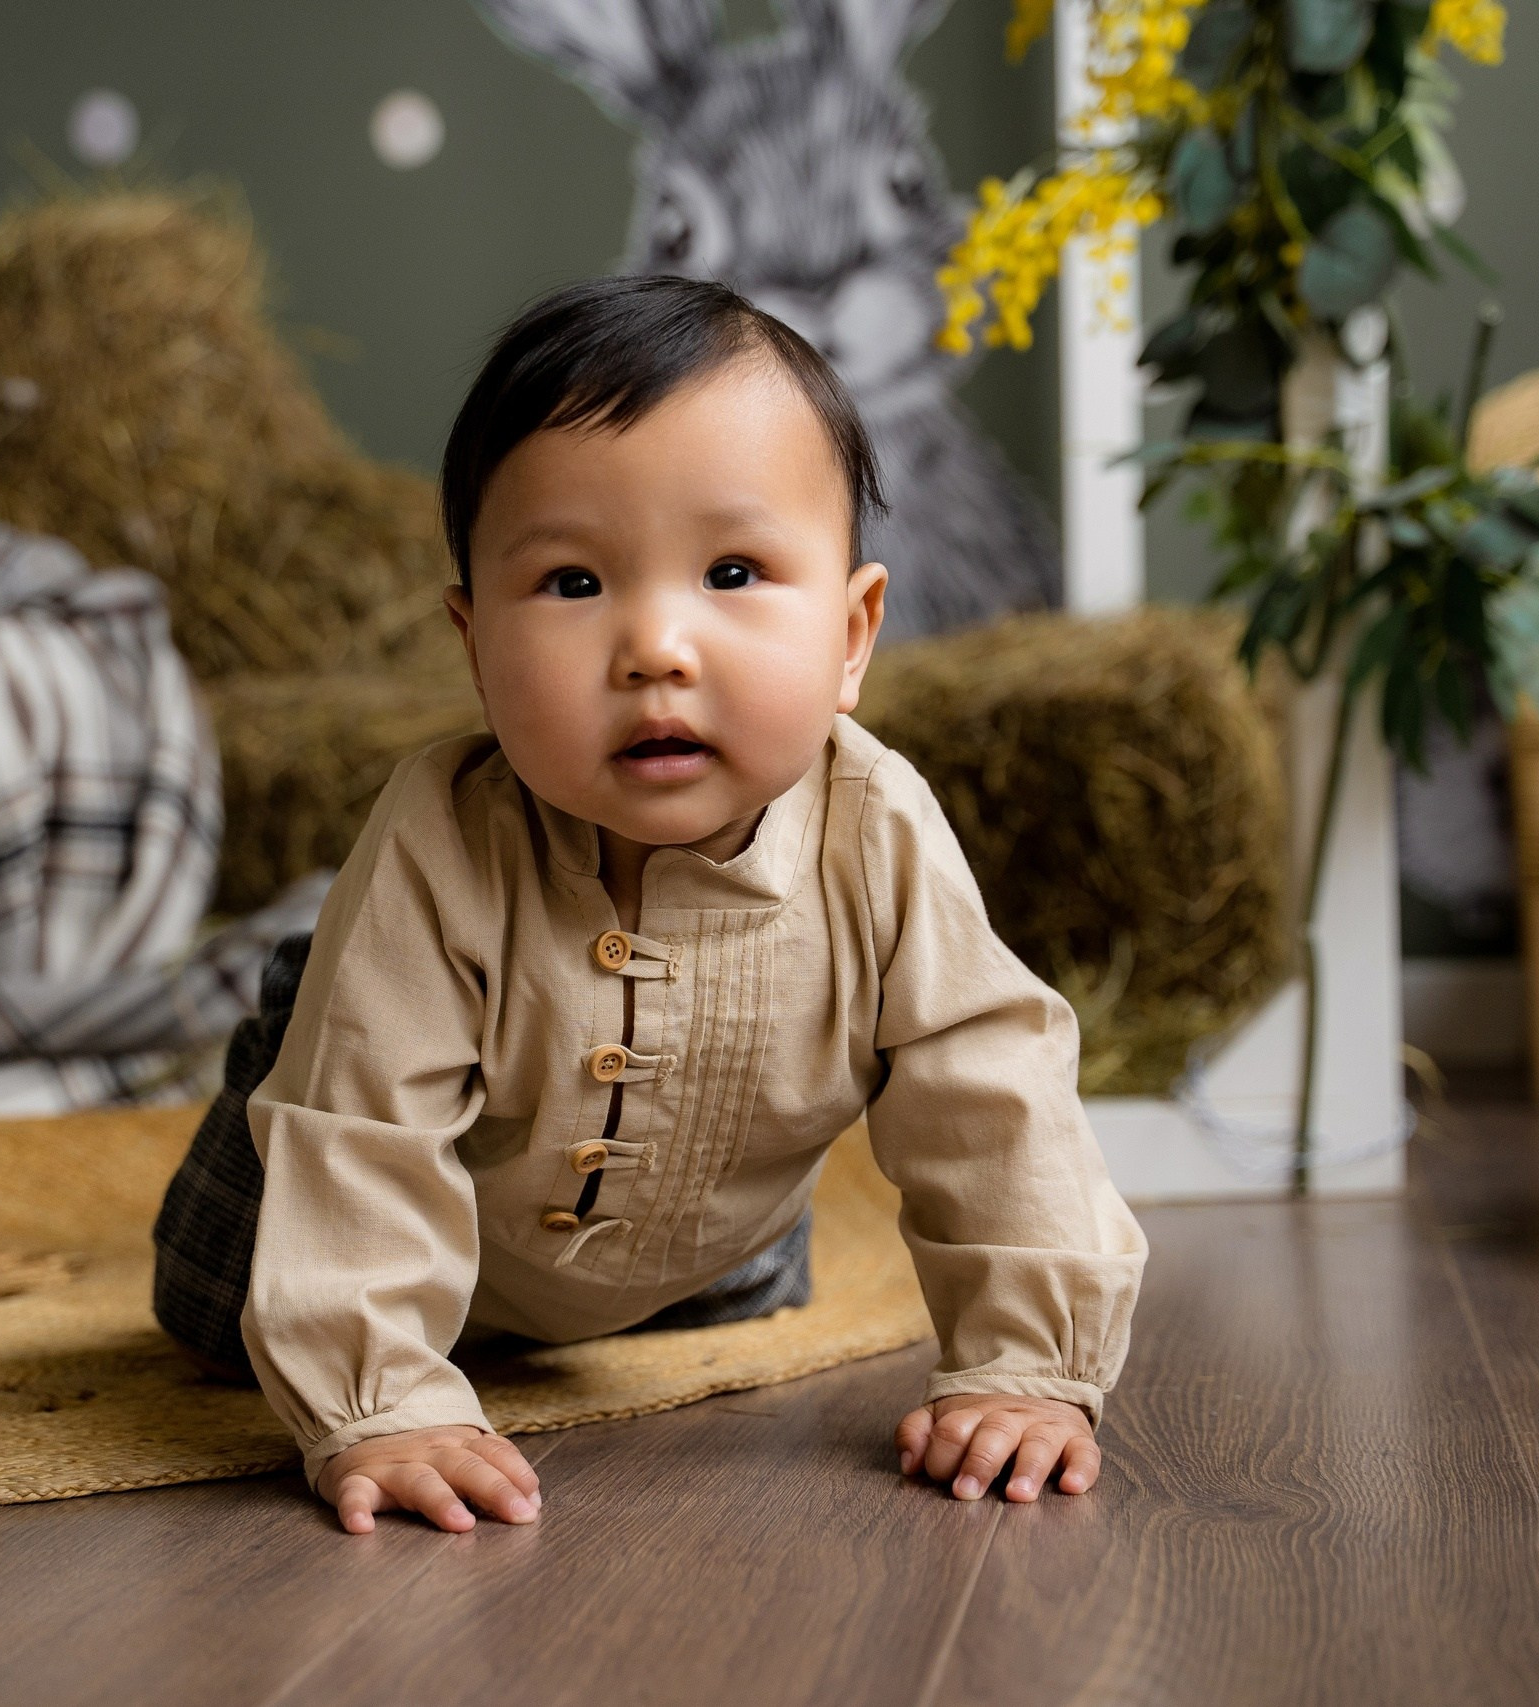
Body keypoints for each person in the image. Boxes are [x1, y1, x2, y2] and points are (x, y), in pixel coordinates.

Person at [152, 276, 1144, 1535]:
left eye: (733, 570)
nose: (655, 646)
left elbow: (990, 1088)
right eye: (573, 584)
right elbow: (363, 1133)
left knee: (750, 1276)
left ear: (852, 634)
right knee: (221, 1303)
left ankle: (702, 1275)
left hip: (707, 1245)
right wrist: (381, 1400)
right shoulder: (444, 834)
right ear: (472, 644)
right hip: (366, 1181)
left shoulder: (878, 828)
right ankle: (328, 1187)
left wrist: (1029, 1368)